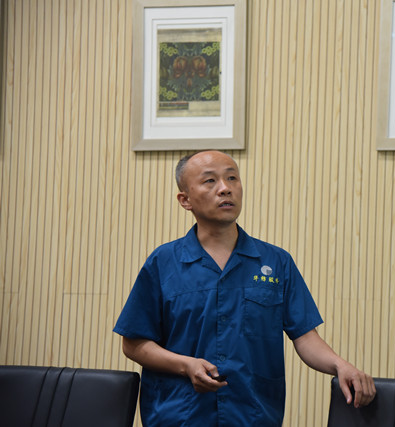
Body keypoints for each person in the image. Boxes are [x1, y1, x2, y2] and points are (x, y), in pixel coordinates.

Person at [114, 150, 376, 426]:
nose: (225, 188)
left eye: (232, 178)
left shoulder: (276, 262)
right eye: (210, 181)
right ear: (185, 200)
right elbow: (134, 343)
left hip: (252, 415)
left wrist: (340, 365)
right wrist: (185, 365)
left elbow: (305, 337)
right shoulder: (163, 262)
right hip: (178, 416)